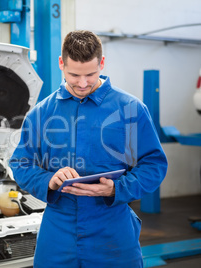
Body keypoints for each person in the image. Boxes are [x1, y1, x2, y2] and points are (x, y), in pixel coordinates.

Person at [9, 30, 168, 267]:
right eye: (74, 75)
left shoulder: (131, 109)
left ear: (101, 63)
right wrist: (49, 180)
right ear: (61, 64)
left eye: (91, 75)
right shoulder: (41, 114)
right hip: (58, 230)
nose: (82, 84)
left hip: (112, 229)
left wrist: (117, 188)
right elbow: (21, 164)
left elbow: (153, 164)